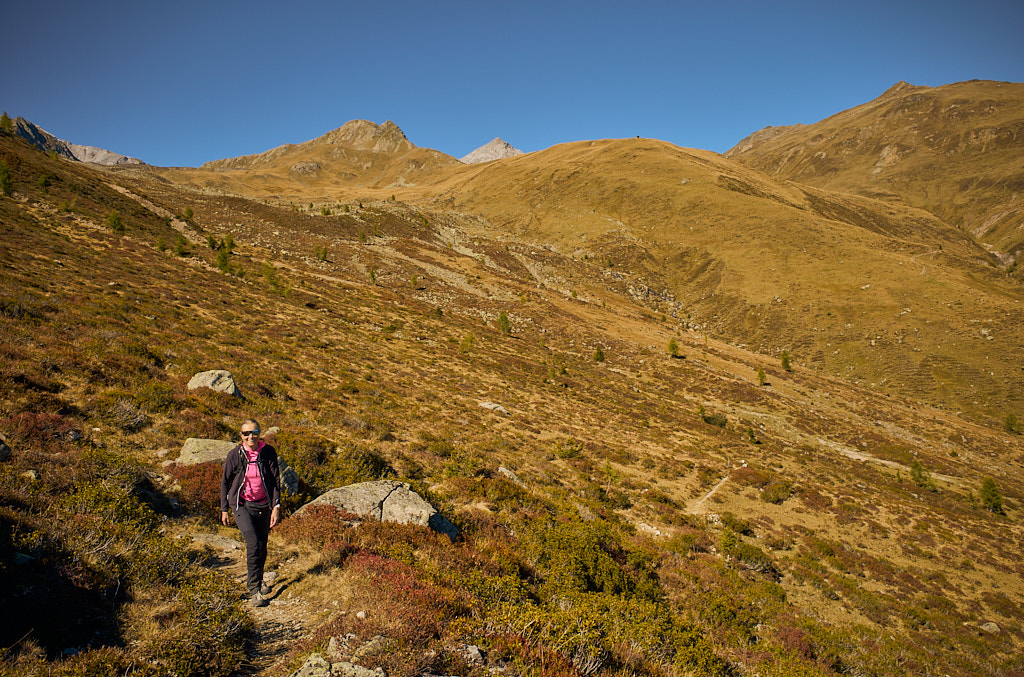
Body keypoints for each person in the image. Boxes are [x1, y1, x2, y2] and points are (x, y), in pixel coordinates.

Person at [220, 418, 282, 607]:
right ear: (241, 436)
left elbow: (275, 481)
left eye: (254, 432)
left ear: (259, 433)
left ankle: (259, 578)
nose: (250, 436)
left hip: (263, 506)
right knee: (254, 544)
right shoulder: (235, 455)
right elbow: (225, 482)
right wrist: (224, 509)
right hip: (241, 505)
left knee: (262, 545)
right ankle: (254, 589)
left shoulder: (268, 452)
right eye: (246, 433)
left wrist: (276, 506)